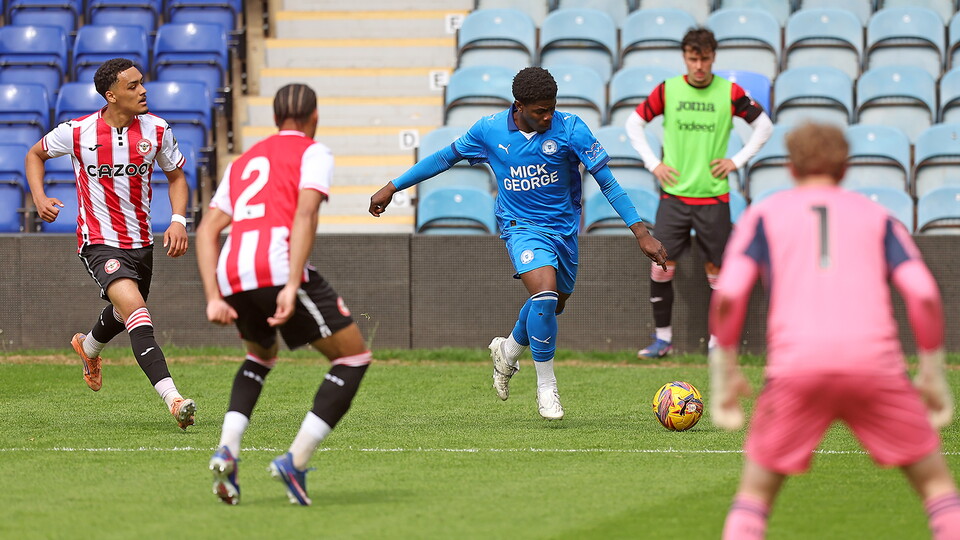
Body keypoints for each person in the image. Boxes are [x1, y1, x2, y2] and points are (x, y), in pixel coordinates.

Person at [370, 67, 667, 421]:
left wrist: (641, 232)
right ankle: (547, 388)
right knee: (544, 295)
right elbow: (443, 158)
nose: (548, 116)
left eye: (552, 108)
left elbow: (608, 182)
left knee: (551, 307)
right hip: (520, 227)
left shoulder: (572, 129)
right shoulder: (489, 130)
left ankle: (508, 350)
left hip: (564, 232)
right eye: (540, 110)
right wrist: (393, 186)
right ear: (519, 106)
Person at [709, 123, 960, 539]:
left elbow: (730, 295)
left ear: (790, 168)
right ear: (845, 169)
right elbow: (925, 295)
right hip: (876, 367)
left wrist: (727, 370)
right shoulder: (879, 217)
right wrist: (932, 371)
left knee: (754, 497)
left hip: (796, 369)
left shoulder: (764, 216)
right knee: (937, 488)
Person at [196, 83, 373, 506]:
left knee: (260, 355)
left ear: (275, 119)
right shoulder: (313, 152)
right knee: (352, 356)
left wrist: (213, 296)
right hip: (275, 265)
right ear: (314, 117)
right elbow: (305, 213)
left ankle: (228, 450)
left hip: (232, 269)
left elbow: (205, 230)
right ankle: (295, 461)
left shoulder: (244, 161)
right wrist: (292, 285)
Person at [25, 57, 196, 430]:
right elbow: (34, 154)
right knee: (136, 309)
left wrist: (179, 220)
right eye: (132, 85)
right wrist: (39, 197)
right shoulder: (77, 132)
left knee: (124, 313)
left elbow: (177, 177)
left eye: (142, 83)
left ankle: (88, 348)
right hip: (98, 241)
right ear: (111, 95)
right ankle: (174, 399)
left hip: (141, 242)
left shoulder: (157, 129)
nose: (143, 90)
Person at [625, 27, 773, 359]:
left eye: (705, 59)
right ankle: (663, 339)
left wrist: (736, 160)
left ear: (713, 58)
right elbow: (633, 124)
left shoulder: (730, 92)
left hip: (714, 198)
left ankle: (719, 344)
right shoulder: (669, 90)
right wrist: (653, 164)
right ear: (685, 58)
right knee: (661, 264)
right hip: (674, 196)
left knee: (717, 271)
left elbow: (764, 125)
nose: (699, 66)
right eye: (693, 59)